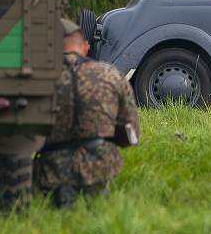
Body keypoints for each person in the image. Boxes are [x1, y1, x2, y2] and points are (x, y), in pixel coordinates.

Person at [34, 18, 140, 207]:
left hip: (51, 168)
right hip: (99, 165)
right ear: (85, 46)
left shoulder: (38, 79)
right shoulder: (110, 75)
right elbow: (131, 132)